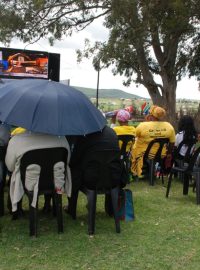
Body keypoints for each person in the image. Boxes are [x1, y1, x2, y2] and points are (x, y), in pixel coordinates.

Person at [66, 125, 127, 216]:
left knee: (73, 170)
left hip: (91, 179)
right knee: (105, 167)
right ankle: (111, 210)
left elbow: (75, 159)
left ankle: (71, 209)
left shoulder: (85, 135)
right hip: (113, 178)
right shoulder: (112, 132)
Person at [5, 131, 71, 213]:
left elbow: (10, 167)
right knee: (50, 170)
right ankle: (48, 206)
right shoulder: (62, 139)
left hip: (29, 182)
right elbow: (67, 161)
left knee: (17, 173)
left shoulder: (16, 140)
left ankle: (17, 210)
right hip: (56, 182)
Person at [131, 105, 175, 177]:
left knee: (134, 149)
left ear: (151, 115)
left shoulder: (143, 125)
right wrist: (169, 154)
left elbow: (133, 136)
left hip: (144, 154)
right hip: (161, 154)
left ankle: (136, 172)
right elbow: (172, 143)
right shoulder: (169, 126)